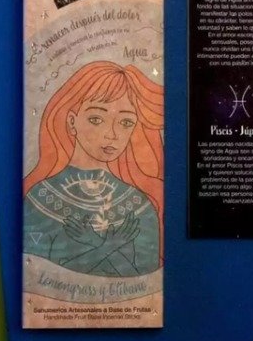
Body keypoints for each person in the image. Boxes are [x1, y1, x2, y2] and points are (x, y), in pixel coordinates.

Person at [23, 61, 164, 277]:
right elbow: (38, 278)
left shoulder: (140, 205)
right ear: (72, 122)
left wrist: (96, 243)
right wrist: (109, 245)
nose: (112, 134)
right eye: (96, 119)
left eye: (126, 122)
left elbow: (146, 283)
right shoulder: (39, 199)